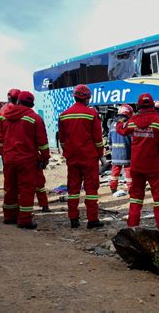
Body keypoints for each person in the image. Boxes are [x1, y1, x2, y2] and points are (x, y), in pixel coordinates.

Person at [116, 93, 159, 231]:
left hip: (137, 166)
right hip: (154, 167)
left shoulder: (132, 121)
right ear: (152, 105)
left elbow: (122, 130)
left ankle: (132, 227)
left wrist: (120, 121)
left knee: (136, 198)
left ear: (138, 106)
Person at [0, 91, 50, 229]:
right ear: (32, 104)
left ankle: (9, 216)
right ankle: (25, 219)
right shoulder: (35, 118)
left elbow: (1, 137)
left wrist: (3, 154)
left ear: (18, 102)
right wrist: (45, 158)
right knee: (26, 189)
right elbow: (42, 143)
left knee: (10, 187)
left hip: (9, 158)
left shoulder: (5, 116)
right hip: (26, 160)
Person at [58, 84, 104, 229]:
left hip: (73, 158)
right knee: (91, 189)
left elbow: (62, 140)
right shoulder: (91, 114)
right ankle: (92, 220)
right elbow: (97, 138)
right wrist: (100, 154)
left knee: (73, 189)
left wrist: (69, 153)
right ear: (87, 98)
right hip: (89, 157)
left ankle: (73, 219)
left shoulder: (64, 115)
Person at [108, 104, 133, 193]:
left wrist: (111, 150)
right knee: (129, 172)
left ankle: (113, 188)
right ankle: (130, 189)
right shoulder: (129, 124)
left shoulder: (112, 124)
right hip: (127, 153)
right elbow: (133, 140)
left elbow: (109, 139)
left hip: (115, 154)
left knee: (114, 172)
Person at [0, 89, 21, 154]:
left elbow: (0, 133)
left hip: (7, 149)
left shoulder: (1, 111)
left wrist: (1, 151)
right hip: (22, 148)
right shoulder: (23, 110)